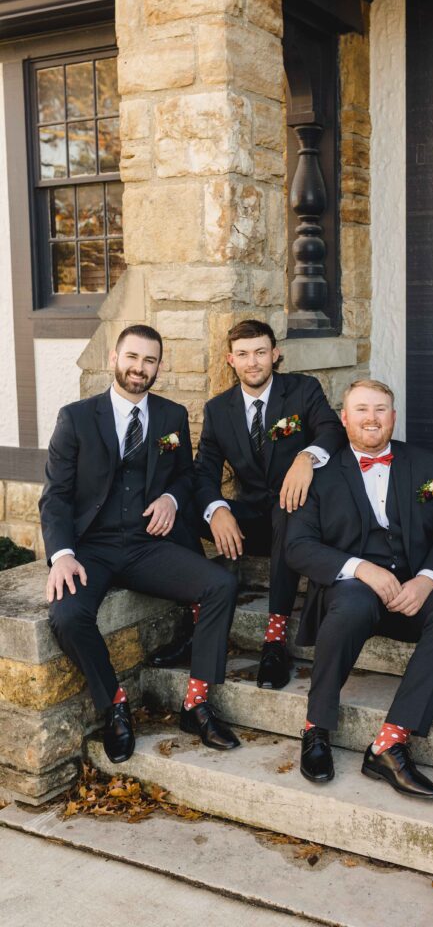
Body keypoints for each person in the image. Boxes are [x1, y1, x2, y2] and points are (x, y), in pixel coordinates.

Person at [41, 325, 241, 764]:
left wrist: (171, 498)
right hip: (91, 547)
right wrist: (61, 555)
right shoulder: (75, 418)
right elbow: (55, 495)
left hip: (148, 544)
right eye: (132, 357)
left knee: (220, 586)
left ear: (159, 367)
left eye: (149, 360)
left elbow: (186, 475)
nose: (140, 368)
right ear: (114, 358)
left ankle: (196, 702)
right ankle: (114, 703)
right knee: (68, 615)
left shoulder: (170, 416)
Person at [286, 380, 433, 798]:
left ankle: (389, 743)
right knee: (351, 605)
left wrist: (427, 580)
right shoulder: (319, 473)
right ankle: (316, 728)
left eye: (380, 409)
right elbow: (297, 547)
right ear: (344, 418)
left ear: (393, 416)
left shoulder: (427, 463)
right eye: (361, 410)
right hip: (352, 588)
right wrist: (360, 569)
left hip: (412, 583)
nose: (371, 418)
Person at [150, 319, 346, 689]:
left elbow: (332, 430)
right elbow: (203, 471)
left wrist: (307, 457)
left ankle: (274, 641)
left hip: (298, 518)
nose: (252, 362)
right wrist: (217, 510)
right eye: (243, 354)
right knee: (177, 509)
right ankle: (199, 622)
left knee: (289, 508)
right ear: (231, 360)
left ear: (275, 354)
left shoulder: (303, 390)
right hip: (250, 519)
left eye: (260, 352)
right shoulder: (218, 409)